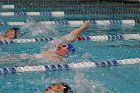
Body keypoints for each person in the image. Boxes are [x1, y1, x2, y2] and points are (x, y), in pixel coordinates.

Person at [0, 21, 91, 63]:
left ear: (68, 53)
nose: (60, 46)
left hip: (27, 62)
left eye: (64, 47)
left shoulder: (59, 62)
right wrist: (82, 27)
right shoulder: (52, 49)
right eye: (62, 45)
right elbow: (70, 37)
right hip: (24, 57)